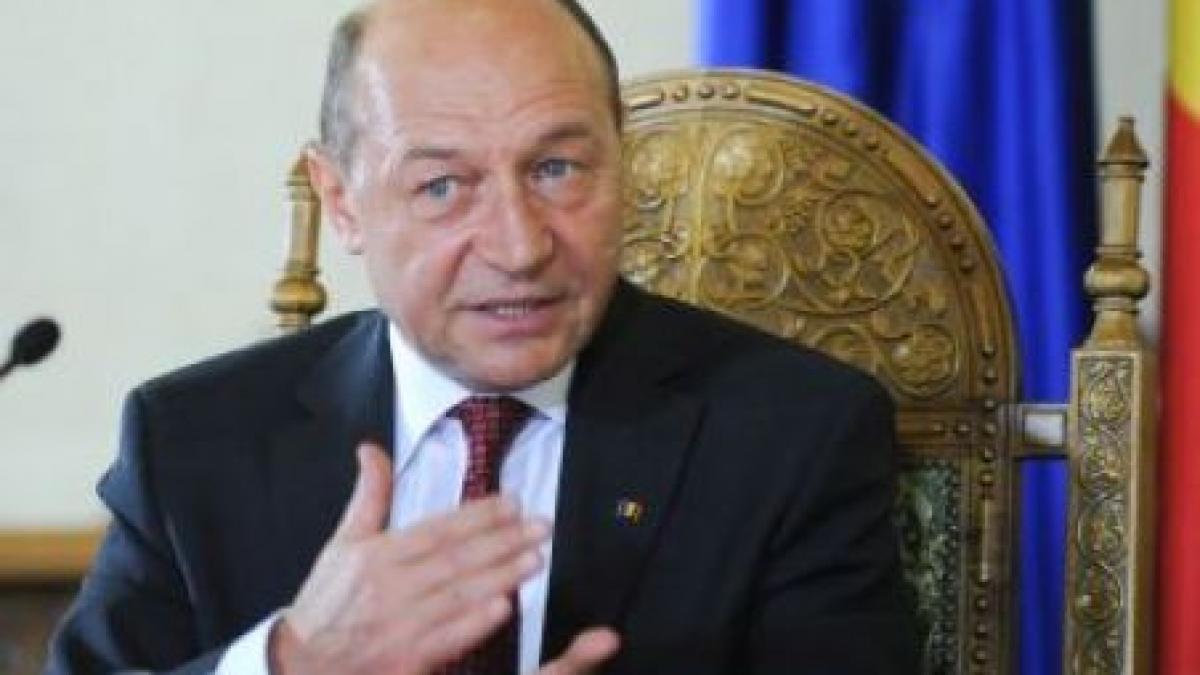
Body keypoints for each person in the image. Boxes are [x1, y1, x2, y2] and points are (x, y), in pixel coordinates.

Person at [47, 0, 919, 673]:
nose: (519, 245)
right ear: (341, 200)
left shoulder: (791, 435)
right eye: (442, 186)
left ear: (621, 161)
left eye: (556, 169)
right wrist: (293, 662)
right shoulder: (196, 442)